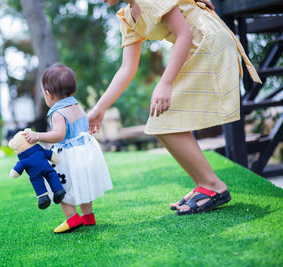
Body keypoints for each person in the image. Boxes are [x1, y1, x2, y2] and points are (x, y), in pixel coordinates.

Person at [88, 0, 261, 215]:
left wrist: (166, 82)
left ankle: (213, 186)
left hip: (207, 40)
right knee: (162, 121)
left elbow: (184, 34)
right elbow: (127, 68)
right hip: (195, 44)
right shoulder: (128, 17)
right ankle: (204, 183)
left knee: (163, 117)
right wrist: (99, 108)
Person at [24, 63, 113, 232]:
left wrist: (38, 136)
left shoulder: (58, 112)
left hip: (68, 156)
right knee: (83, 184)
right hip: (85, 152)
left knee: (59, 186)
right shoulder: (76, 106)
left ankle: (72, 219)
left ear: (48, 94)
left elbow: (59, 135)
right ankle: (88, 217)